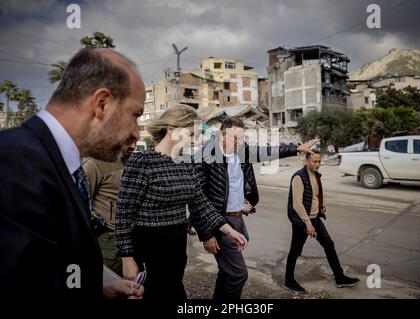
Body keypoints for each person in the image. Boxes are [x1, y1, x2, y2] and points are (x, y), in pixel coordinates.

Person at [0, 48, 145, 299]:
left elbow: (43, 274)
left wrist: (97, 291)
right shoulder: (15, 162)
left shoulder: (56, 160)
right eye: (135, 115)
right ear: (102, 104)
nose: (136, 133)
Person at [115, 105, 248, 303]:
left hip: (176, 243)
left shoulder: (186, 162)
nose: (194, 140)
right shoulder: (142, 161)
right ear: (171, 130)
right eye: (191, 134)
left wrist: (229, 230)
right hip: (149, 246)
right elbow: (124, 214)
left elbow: (200, 203)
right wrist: (127, 259)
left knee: (174, 290)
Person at [195, 117, 319, 300]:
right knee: (238, 274)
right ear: (222, 135)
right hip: (218, 223)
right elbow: (198, 199)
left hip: (237, 219)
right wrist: (206, 235)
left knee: (227, 271)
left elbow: (267, 152)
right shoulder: (205, 155)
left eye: (242, 138)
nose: (239, 142)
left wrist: (297, 148)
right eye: (235, 138)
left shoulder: (241, 151)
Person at [285, 151, 360, 293]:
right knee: (295, 251)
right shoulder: (298, 177)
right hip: (302, 222)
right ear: (306, 161)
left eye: (319, 161)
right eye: (314, 161)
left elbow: (313, 196)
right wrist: (308, 224)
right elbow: (297, 204)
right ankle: (289, 281)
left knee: (329, 244)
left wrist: (320, 208)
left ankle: (340, 277)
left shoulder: (316, 175)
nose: (317, 164)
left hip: (315, 219)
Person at [82, 142, 136, 276]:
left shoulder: (134, 161)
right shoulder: (94, 164)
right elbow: (76, 201)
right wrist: (98, 225)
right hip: (111, 240)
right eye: (129, 140)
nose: (134, 146)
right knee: (116, 284)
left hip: (136, 236)